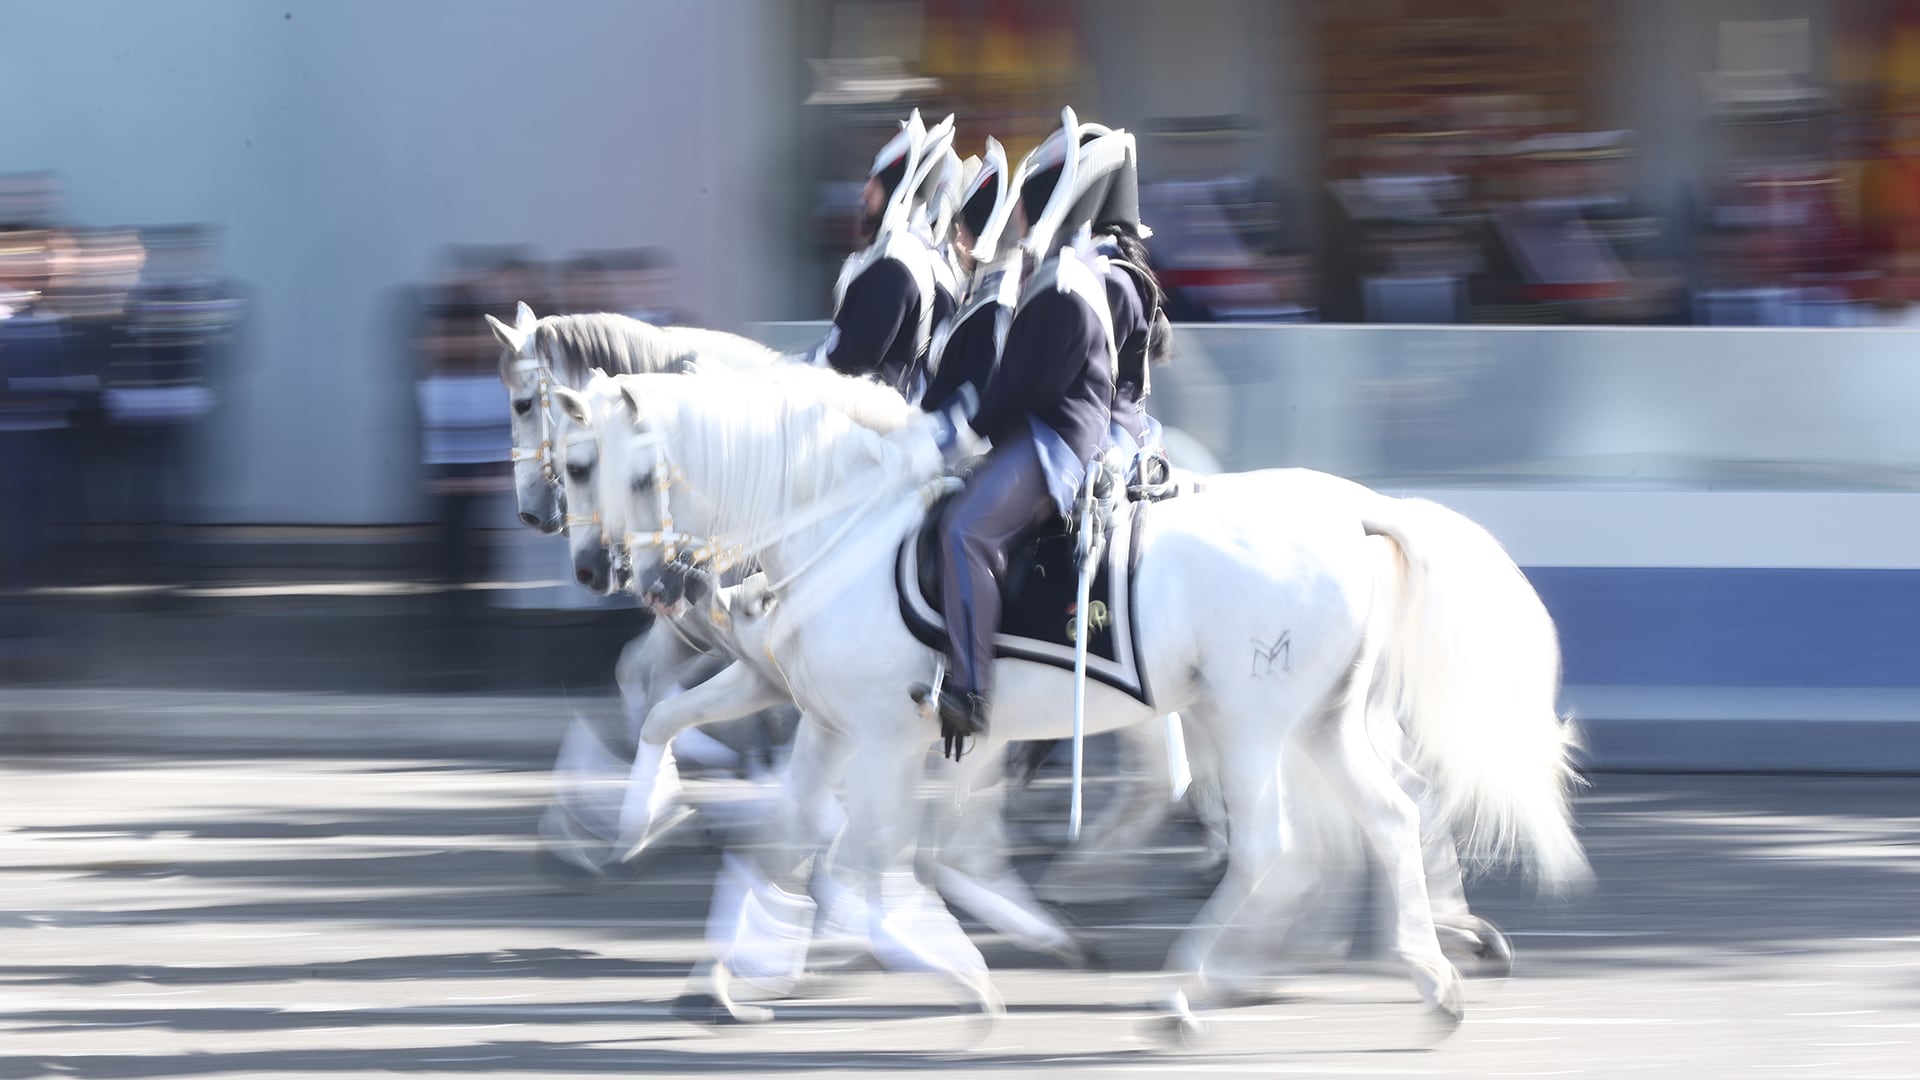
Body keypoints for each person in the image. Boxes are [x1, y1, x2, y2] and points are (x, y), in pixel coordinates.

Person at [918, 108, 1143, 749]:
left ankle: (970, 687)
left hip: (1055, 445)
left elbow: (1027, 383)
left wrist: (962, 432)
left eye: (1027, 198)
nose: (1015, 213)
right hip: (1040, 431)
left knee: (966, 531)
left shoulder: (1071, 279)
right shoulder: (1060, 270)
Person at [811, 110, 959, 399]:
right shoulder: (899, 255)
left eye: (874, 183)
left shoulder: (896, 263)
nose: (864, 193)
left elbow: (852, 361)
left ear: (893, 190)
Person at [920, 137, 1024, 416]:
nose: (958, 241)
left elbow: (977, 397)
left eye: (966, 230)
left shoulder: (996, 308)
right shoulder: (982, 299)